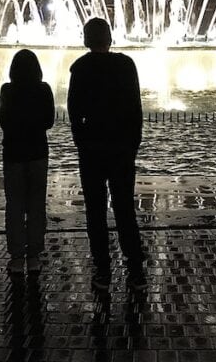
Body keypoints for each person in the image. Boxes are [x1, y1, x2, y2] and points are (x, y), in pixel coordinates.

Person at [67, 17, 146, 291]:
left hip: (92, 149)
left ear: (86, 40)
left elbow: (74, 113)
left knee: (95, 211)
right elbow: (136, 109)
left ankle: (102, 270)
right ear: (109, 39)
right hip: (122, 148)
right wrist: (133, 143)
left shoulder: (80, 68)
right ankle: (135, 270)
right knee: (125, 209)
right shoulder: (126, 66)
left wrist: (81, 142)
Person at [0, 49, 55, 275]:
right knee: (36, 203)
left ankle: (15, 256)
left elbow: (3, 121)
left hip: (13, 152)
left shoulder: (7, 90)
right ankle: (34, 255)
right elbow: (49, 121)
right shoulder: (44, 90)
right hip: (37, 152)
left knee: (14, 204)